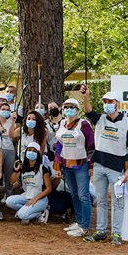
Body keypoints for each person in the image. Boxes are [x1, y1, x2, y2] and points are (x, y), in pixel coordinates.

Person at [81, 86, 128, 245]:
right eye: (105, 101)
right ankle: (101, 232)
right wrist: (85, 96)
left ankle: (116, 234)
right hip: (98, 165)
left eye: (110, 101)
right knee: (102, 201)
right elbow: (89, 112)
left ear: (117, 103)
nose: (107, 104)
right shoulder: (100, 118)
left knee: (117, 203)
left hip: (116, 168)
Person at [54, 97, 94, 238]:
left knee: (84, 196)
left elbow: (90, 146)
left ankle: (85, 227)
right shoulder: (62, 124)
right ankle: (78, 221)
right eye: (66, 107)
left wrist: (90, 165)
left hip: (81, 164)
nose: (69, 109)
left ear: (77, 109)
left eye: (72, 107)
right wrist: (57, 166)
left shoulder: (84, 124)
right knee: (75, 194)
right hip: (67, 164)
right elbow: (59, 146)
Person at [5, 142, 52, 223]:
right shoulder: (23, 167)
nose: (31, 152)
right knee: (9, 201)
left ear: (38, 154)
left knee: (22, 215)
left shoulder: (42, 168)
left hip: (40, 198)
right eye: (29, 150)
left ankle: (41, 213)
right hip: (26, 196)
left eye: (34, 151)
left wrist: (34, 199)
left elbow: (49, 189)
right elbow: (12, 181)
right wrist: (15, 170)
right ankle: (29, 211)